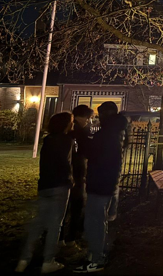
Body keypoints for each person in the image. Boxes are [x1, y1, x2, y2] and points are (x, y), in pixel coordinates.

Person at [17, 112, 74, 274]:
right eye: (70, 122)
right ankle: (48, 261)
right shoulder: (67, 141)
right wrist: (71, 180)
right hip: (60, 186)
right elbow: (65, 163)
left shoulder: (47, 140)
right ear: (65, 125)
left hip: (45, 185)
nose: (72, 124)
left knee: (38, 223)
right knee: (55, 224)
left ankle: (24, 259)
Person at [74, 101, 127, 273]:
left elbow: (91, 152)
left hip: (100, 182)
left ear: (106, 114)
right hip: (105, 181)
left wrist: (81, 135)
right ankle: (96, 254)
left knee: (94, 221)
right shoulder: (115, 131)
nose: (97, 118)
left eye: (100, 114)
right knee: (98, 220)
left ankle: (96, 259)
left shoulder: (108, 133)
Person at [62, 104, 94, 248]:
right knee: (76, 207)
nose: (88, 121)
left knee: (66, 208)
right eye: (87, 118)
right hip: (77, 173)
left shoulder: (69, 131)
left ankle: (61, 237)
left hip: (70, 174)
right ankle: (70, 238)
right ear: (82, 117)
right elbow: (86, 151)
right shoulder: (78, 132)